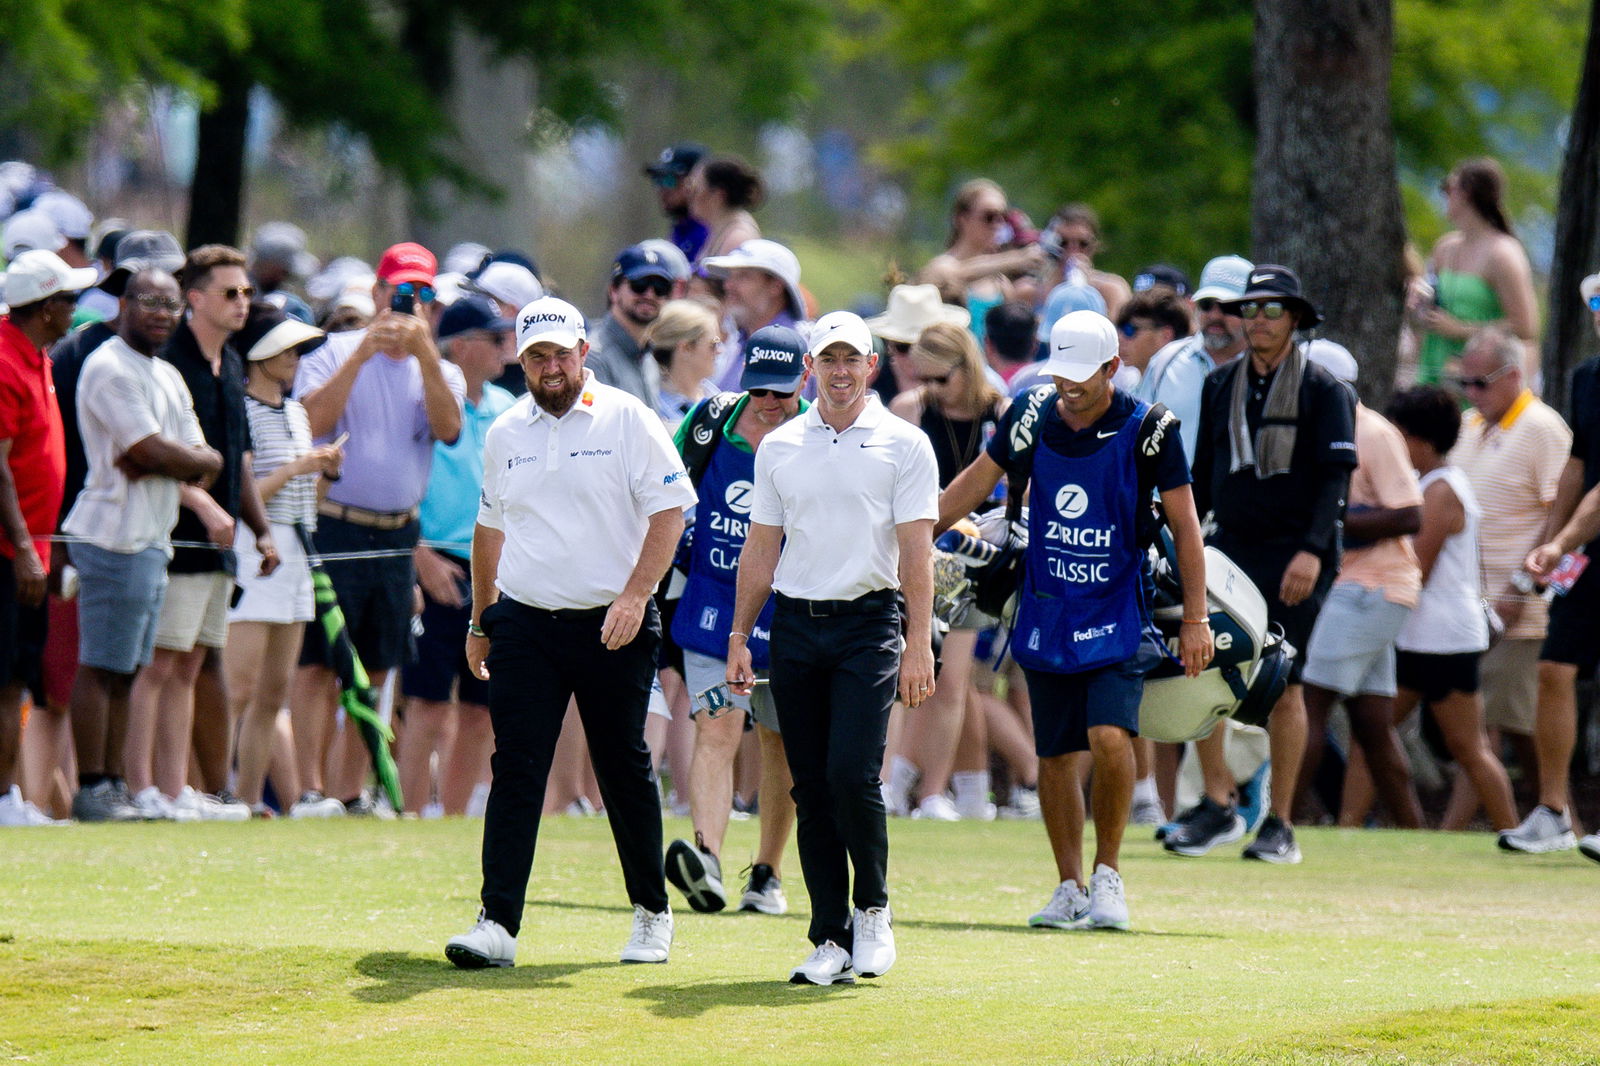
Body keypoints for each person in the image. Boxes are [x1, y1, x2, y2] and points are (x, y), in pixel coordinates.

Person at [445, 296, 696, 969]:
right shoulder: (506, 430)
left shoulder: (628, 418)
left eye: (560, 353)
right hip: (526, 620)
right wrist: (481, 618)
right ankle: (497, 923)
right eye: (536, 356)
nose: (550, 367)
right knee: (518, 766)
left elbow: (670, 512)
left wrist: (636, 595)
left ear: (583, 352)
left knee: (622, 768)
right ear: (520, 360)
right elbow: (490, 528)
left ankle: (652, 912)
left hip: (612, 621)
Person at [937, 310, 1209, 931]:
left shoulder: (1152, 429)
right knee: (1056, 754)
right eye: (1062, 374)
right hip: (1046, 607)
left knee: (1111, 737)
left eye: (1083, 377)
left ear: (1113, 369)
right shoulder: (1029, 413)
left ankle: (1109, 876)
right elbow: (973, 486)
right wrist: (912, 540)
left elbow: (1186, 528)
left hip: (1119, 605)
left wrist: (1194, 617)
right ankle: (1069, 885)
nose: (1070, 388)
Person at [727, 310, 938, 986]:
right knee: (809, 784)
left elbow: (915, 553)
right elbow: (761, 550)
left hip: (869, 624)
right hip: (795, 624)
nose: (840, 372)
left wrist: (918, 644)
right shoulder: (781, 446)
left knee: (853, 774)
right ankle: (830, 936)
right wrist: (739, 635)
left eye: (853, 360)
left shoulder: (904, 444)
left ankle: (872, 909)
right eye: (829, 360)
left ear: (871, 366)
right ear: (810, 368)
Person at [1183, 266, 1357, 864]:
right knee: (1201, 671)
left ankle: (1279, 821)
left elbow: (1337, 479)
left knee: (1284, 685)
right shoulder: (1219, 383)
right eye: (1249, 309)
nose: (1256, 320)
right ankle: (1216, 804)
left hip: (1295, 552)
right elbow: (1204, 475)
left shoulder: (1324, 389)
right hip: (1230, 546)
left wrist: (1311, 550)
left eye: (1271, 310)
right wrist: (1180, 543)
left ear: (1296, 320)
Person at [292, 242, 465, 815]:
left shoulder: (439, 367)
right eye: (400, 292)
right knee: (320, 662)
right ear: (377, 293)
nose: (409, 305)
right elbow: (312, 423)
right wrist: (362, 354)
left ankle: (347, 791)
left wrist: (424, 356)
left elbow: (447, 430)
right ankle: (309, 789)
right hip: (336, 524)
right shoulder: (331, 351)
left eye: (421, 295)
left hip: (395, 533)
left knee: (378, 665)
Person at [62, 268, 222, 822]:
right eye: (149, 300)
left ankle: (116, 787)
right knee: (102, 664)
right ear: (123, 304)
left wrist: (172, 458)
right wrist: (163, 457)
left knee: (128, 667)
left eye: (171, 304)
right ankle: (93, 787)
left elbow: (203, 457)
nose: (161, 312)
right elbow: (149, 451)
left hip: (152, 537)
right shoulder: (108, 365)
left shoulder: (166, 374)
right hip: (112, 536)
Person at [661, 325, 808, 916]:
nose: (769, 405)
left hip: (791, 611)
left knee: (780, 745)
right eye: (759, 393)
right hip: (714, 607)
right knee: (717, 724)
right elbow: (663, 487)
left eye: (782, 392)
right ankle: (708, 860)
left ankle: (767, 872)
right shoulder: (709, 421)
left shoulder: (820, 437)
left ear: (805, 380)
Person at [125, 245, 276, 821]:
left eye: (246, 293)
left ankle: (173, 789)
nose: (242, 303)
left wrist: (259, 529)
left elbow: (235, 460)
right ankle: (143, 789)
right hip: (177, 534)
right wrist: (205, 507)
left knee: (190, 663)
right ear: (195, 298)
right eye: (230, 293)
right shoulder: (172, 361)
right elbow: (151, 455)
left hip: (220, 543)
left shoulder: (231, 363)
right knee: (160, 662)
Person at [1338, 385, 1516, 832]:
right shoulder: (1424, 485)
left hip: (1441, 640)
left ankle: (1513, 829)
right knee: (1373, 733)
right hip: (1416, 635)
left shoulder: (1440, 491)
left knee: (1467, 747)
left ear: (1419, 440)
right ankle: (1350, 825)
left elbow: (1418, 564)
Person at [1448, 328, 1573, 850]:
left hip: (1522, 607)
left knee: (1489, 724)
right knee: (1516, 729)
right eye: (1465, 383)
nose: (1472, 393)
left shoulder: (1542, 428)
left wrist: (1528, 583)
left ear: (1514, 377)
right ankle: (1558, 820)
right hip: (1473, 606)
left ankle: (1447, 834)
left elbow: (1560, 512)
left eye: (1481, 383)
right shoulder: (1472, 425)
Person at [1294, 342, 1426, 828]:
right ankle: (1415, 834)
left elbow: (1411, 513)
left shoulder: (1372, 433)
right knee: (1373, 724)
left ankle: (1277, 822)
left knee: (1309, 702)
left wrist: (1328, 523)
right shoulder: (1321, 432)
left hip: (1374, 586)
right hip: (1355, 585)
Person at [224, 304, 343, 817]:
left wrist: (325, 475)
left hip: (296, 549)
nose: (296, 358)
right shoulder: (241, 409)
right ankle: (218, 792)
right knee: (240, 687)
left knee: (275, 691)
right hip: (255, 546)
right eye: (286, 349)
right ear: (258, 354)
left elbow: (304, 504)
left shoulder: (295, 412)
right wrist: (301, 466)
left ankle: (249, 799)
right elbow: (243, 490)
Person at [884, 322, 1006, 822]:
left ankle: (934, 792)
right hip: (919, 552)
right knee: (902, 675)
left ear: (966, 366)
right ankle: (892, 781)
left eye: (941, 378)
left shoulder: (1000, 411)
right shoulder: (910, 410)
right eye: (924, 377)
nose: (931, 388)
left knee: (953, 682)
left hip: (977, 560)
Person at [399, 296, 515, 817]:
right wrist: (418, 554)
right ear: (461, 346)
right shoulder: (424, 398)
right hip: (434, 560)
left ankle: (449, 818)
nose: (505, 348)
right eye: (495, 339)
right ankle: (408, 814)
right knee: (426, 702)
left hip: (492, 566)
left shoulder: (508, 411)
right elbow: (403, 482)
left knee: (479, 707)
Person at [0, 251, 93, 826]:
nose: (76, 308)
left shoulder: (35, 356)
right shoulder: (6, 362)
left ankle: (8, 797)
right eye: (68, 299)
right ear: (45, 307)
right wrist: (25, 552)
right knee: (4, 683)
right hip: (8, 552)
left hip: (28, 548)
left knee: (16, 683)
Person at [1413, 158, 1538, 384]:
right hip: (1435, 371)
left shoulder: (1503, 254)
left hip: (1479, 382)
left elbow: (1525, 327)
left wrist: (1462, 329)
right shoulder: (1444, 248)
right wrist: (1420, 305)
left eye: (1447, 187)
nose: (1443, 195)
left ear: (1467, 192)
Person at [1136, 255, 1253, 463]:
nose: (1215, 316)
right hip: (1165, 495)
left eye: (1228, 307)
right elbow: (1139, 433)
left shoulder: (1267, 368)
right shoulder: (1166, 360)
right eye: (1207, 305)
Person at [919, 179, 1045, 317]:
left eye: (1003, 217)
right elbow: (955, 275)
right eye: (989, 216)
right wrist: (1019, 258)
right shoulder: (940, 266)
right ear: (962, 218)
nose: (998, 224)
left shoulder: (1001, 283)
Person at [700, 239, 807, 391]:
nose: (728, 285)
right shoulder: (736, 343)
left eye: (743, 276)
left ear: (775, 286)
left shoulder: (800, 348)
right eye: (730, 276)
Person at [587, 244, 673, 410]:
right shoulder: (594, 356)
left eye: (660, 287)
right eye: (639, 284)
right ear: (613, 290)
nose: (650, 294)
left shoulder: (649, 360)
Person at [865, 283, 972, 400]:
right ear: (890, 346)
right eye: (904, 347)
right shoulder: (872, 386)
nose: (914, 355)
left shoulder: (967, 384)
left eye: (928, 346)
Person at [1042, 204, 1133, 320]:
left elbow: (1120, 334)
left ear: (1094, 246)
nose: (1073, 251)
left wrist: (1088, 290)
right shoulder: (1032, 291)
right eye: (1063, 242)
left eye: (1083, 243)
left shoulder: (1112, 289)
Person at [644, 299, 722, 425]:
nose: (720, 351)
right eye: (713, 344)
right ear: (686, 348)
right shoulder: (651, 407)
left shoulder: (717, 398)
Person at [688, 156, 764, 264]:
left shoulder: (737, 238)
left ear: (718, 195)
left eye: (695, 190)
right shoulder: (721, 228)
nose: (690, 197)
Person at [645, 143, 710, 263]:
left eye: (670, 180)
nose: (662, 189)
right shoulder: (680, 229)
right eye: (658, 180)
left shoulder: (711, 231)